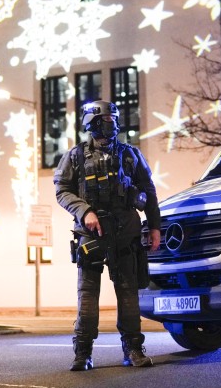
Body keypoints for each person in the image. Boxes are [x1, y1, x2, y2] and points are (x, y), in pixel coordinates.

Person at [54, 100, 162, 370]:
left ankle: (134, 349)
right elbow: (62, 190)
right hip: (91, 234)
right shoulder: (76, 156)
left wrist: (155, 227)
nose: (112, 124)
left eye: (114, 120)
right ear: (92, 122)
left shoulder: (130, 154)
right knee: (88, 295)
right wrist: (84, 211)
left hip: (125, 234)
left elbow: (148, 193)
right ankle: (83, 353)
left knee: (128, 294)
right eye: (107, 120)